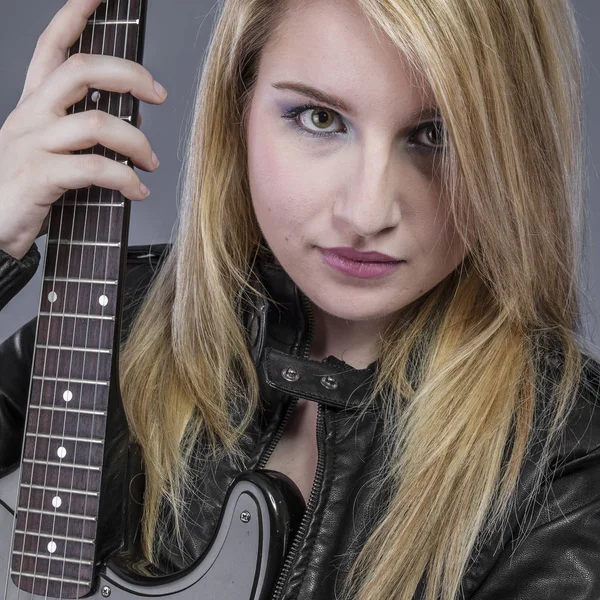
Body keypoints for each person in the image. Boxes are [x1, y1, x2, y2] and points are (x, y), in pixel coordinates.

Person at [1, 0, 599, 598]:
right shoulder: (111, 322)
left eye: (434, 135)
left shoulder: (566, 458)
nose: (367, 213)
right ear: (238, 109)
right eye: (319, 118)